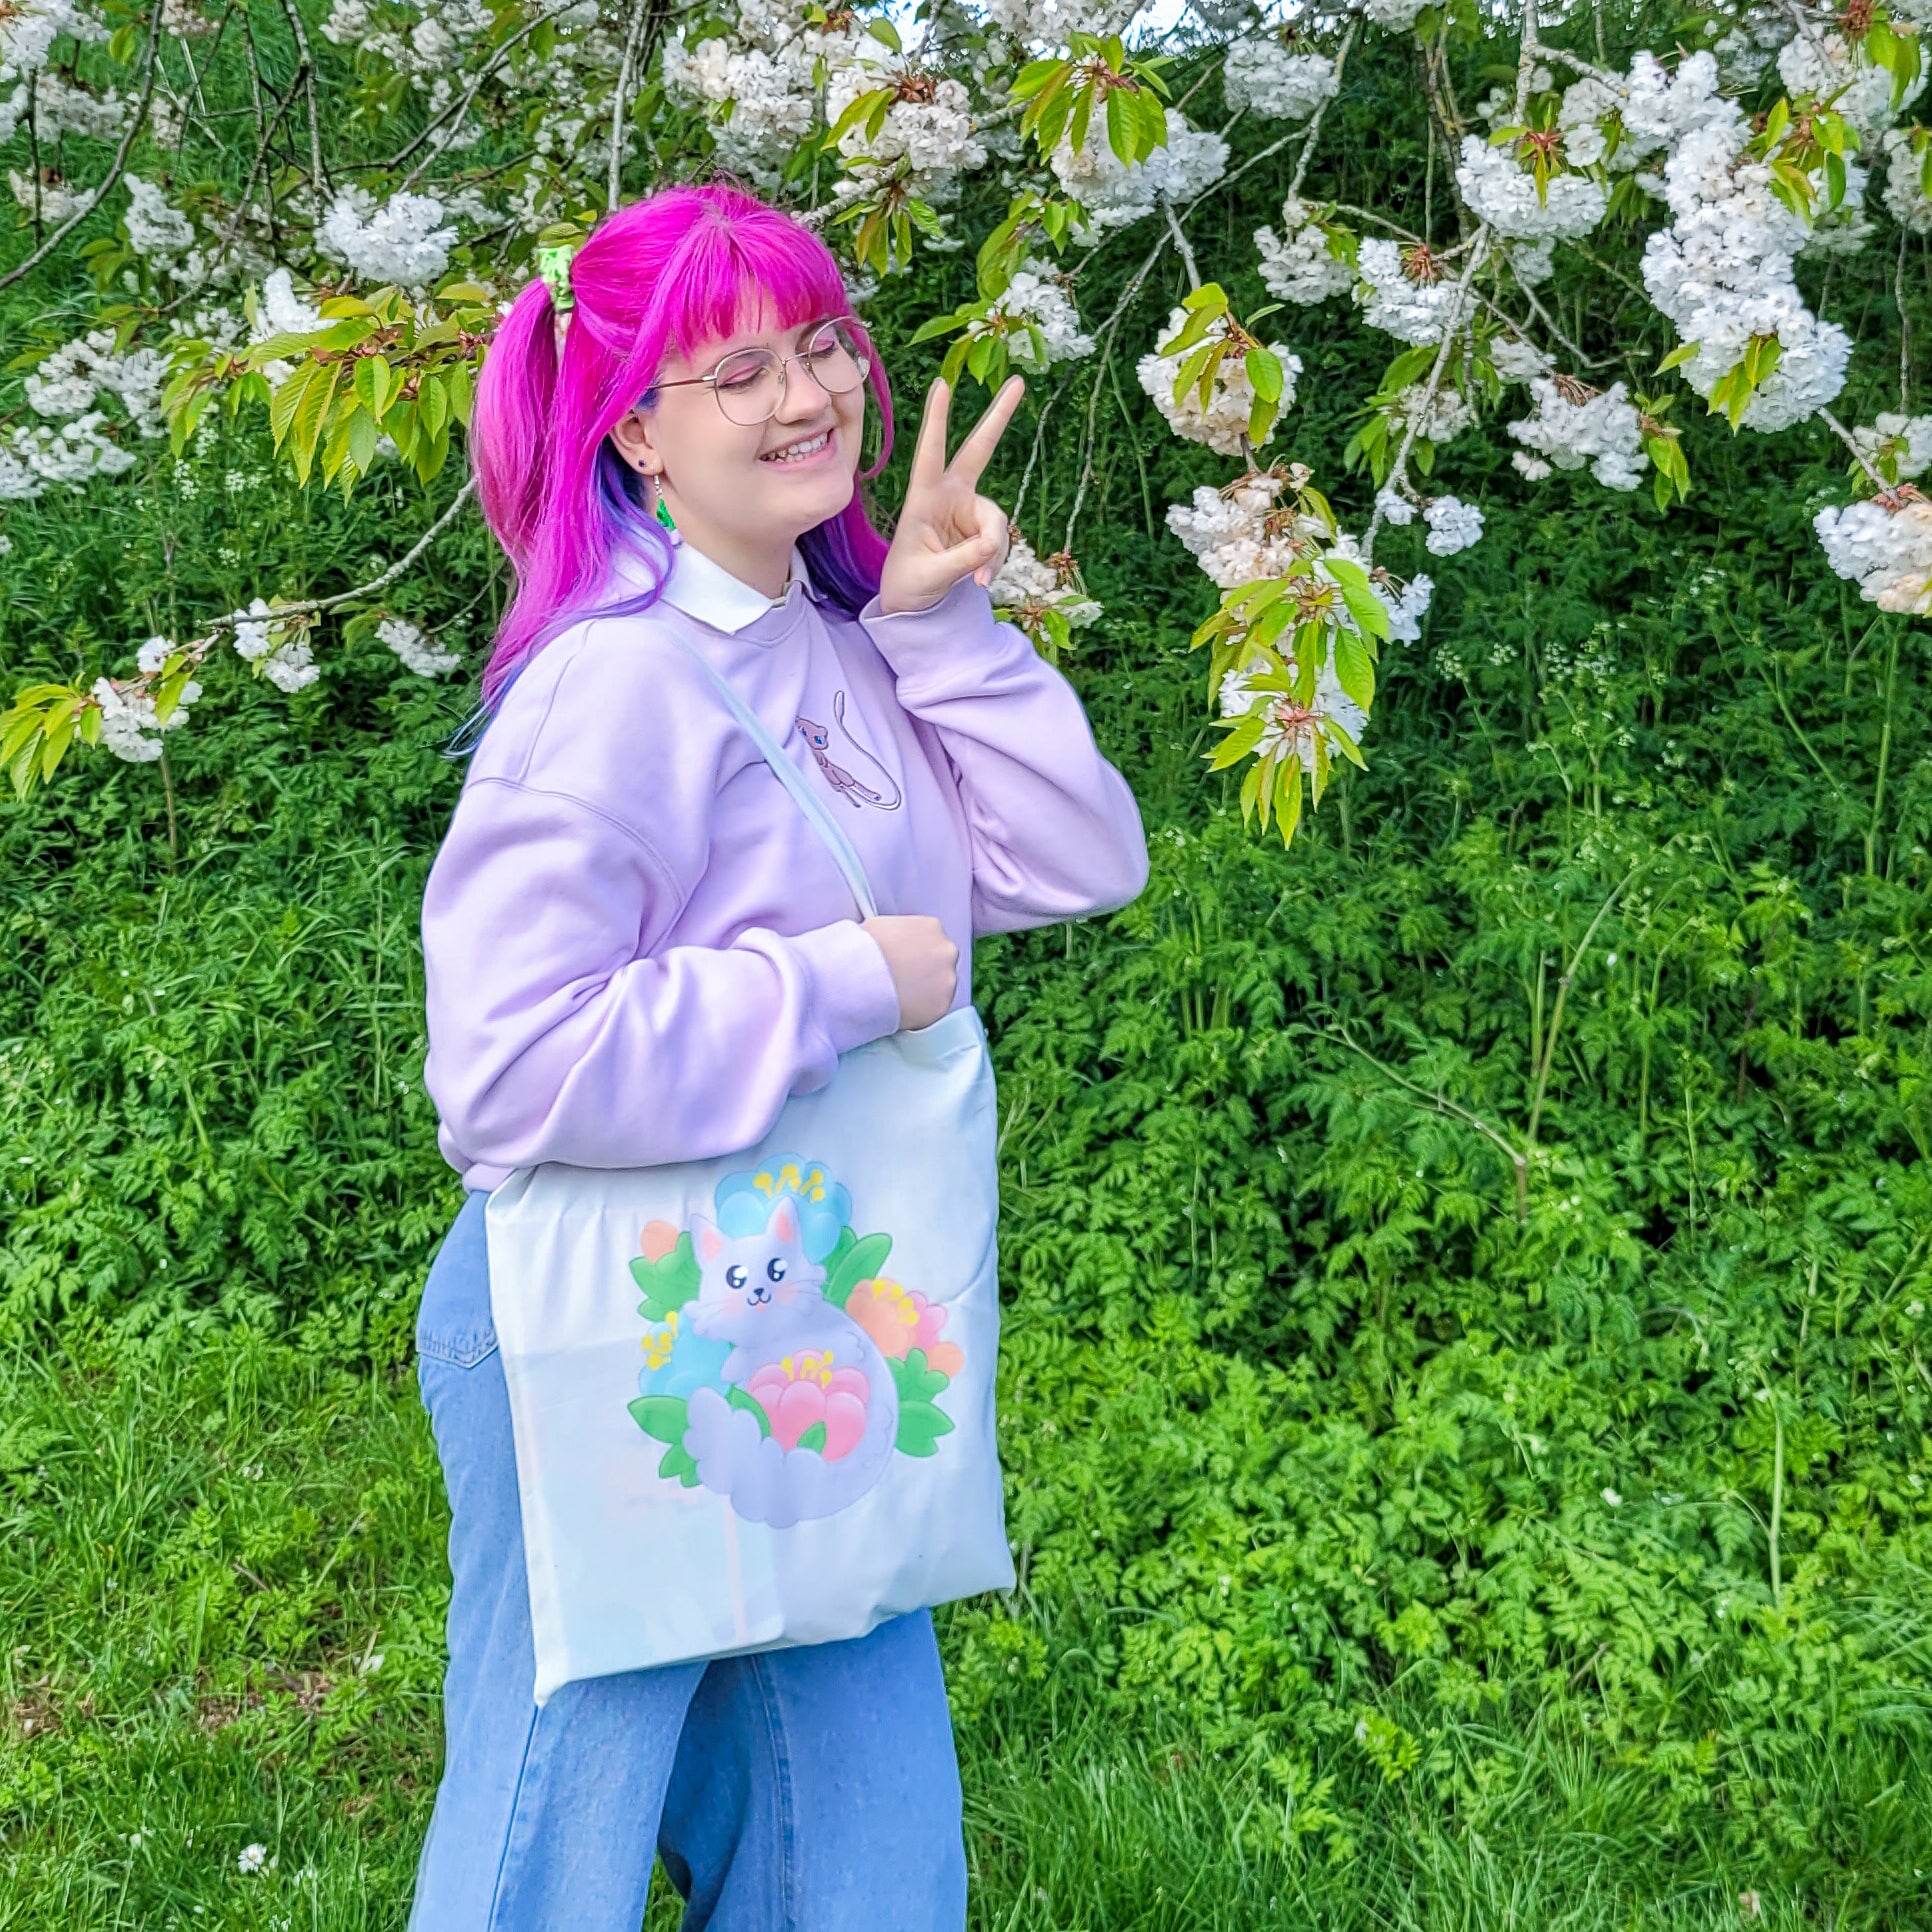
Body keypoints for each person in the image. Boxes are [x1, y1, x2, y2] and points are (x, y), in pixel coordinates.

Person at [408, 178, 1149, 1930]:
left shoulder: (838, 640)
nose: (800, 396)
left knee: (866, 1835)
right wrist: (823, 984)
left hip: (810, 1309)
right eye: (730, 372)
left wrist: (940, 630)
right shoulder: (614, 685)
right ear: (637, 435)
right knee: (557, 1820)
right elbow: (504, 1068)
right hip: (599, 1317)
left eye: (817, 345)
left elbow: (1071, 865)